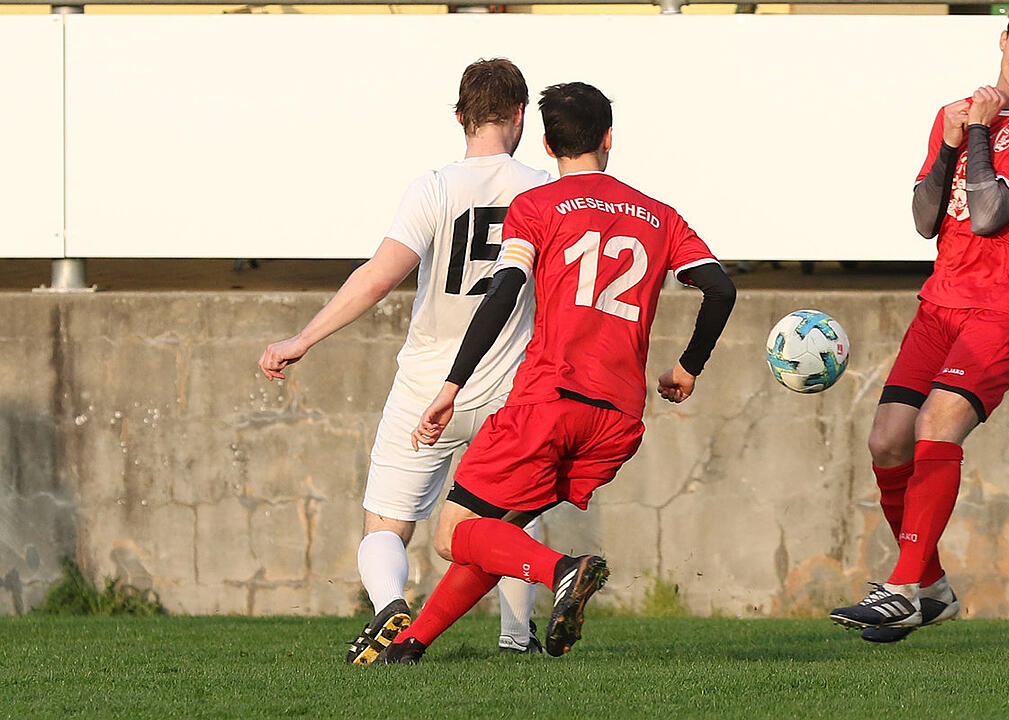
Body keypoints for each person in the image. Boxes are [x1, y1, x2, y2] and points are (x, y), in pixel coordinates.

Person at [372, 81, 737, 665]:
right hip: (617, 417)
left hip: (549, 401)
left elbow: (504, 291)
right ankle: (413, 646)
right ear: (610, 137)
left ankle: (564, 570)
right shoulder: (660, 215)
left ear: (546, 143)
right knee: (498, 535)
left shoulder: (537, 206)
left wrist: (451, 385)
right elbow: (720, 289)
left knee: (452, 535)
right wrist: (687, 367)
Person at [257, 58, 554, 663]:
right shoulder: (542, 192)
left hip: (427, 388)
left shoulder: (434, 188)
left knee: (386, 525)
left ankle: (391, 603)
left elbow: (376, 279)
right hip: (509, 388)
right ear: (520, 115)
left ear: (460, 116)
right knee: (507, 521)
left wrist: (302, 340)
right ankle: (517, 639)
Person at [829, 2, 1009, 642]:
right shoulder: (956, 112)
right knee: (887, 440)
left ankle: (902, 589)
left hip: (1006, 309)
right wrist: (948, 140)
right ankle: (931, 586)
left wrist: (983, 133)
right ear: (1002, 40)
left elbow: (991, 215)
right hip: (942, 302)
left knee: (938, 422)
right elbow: (924, 216)